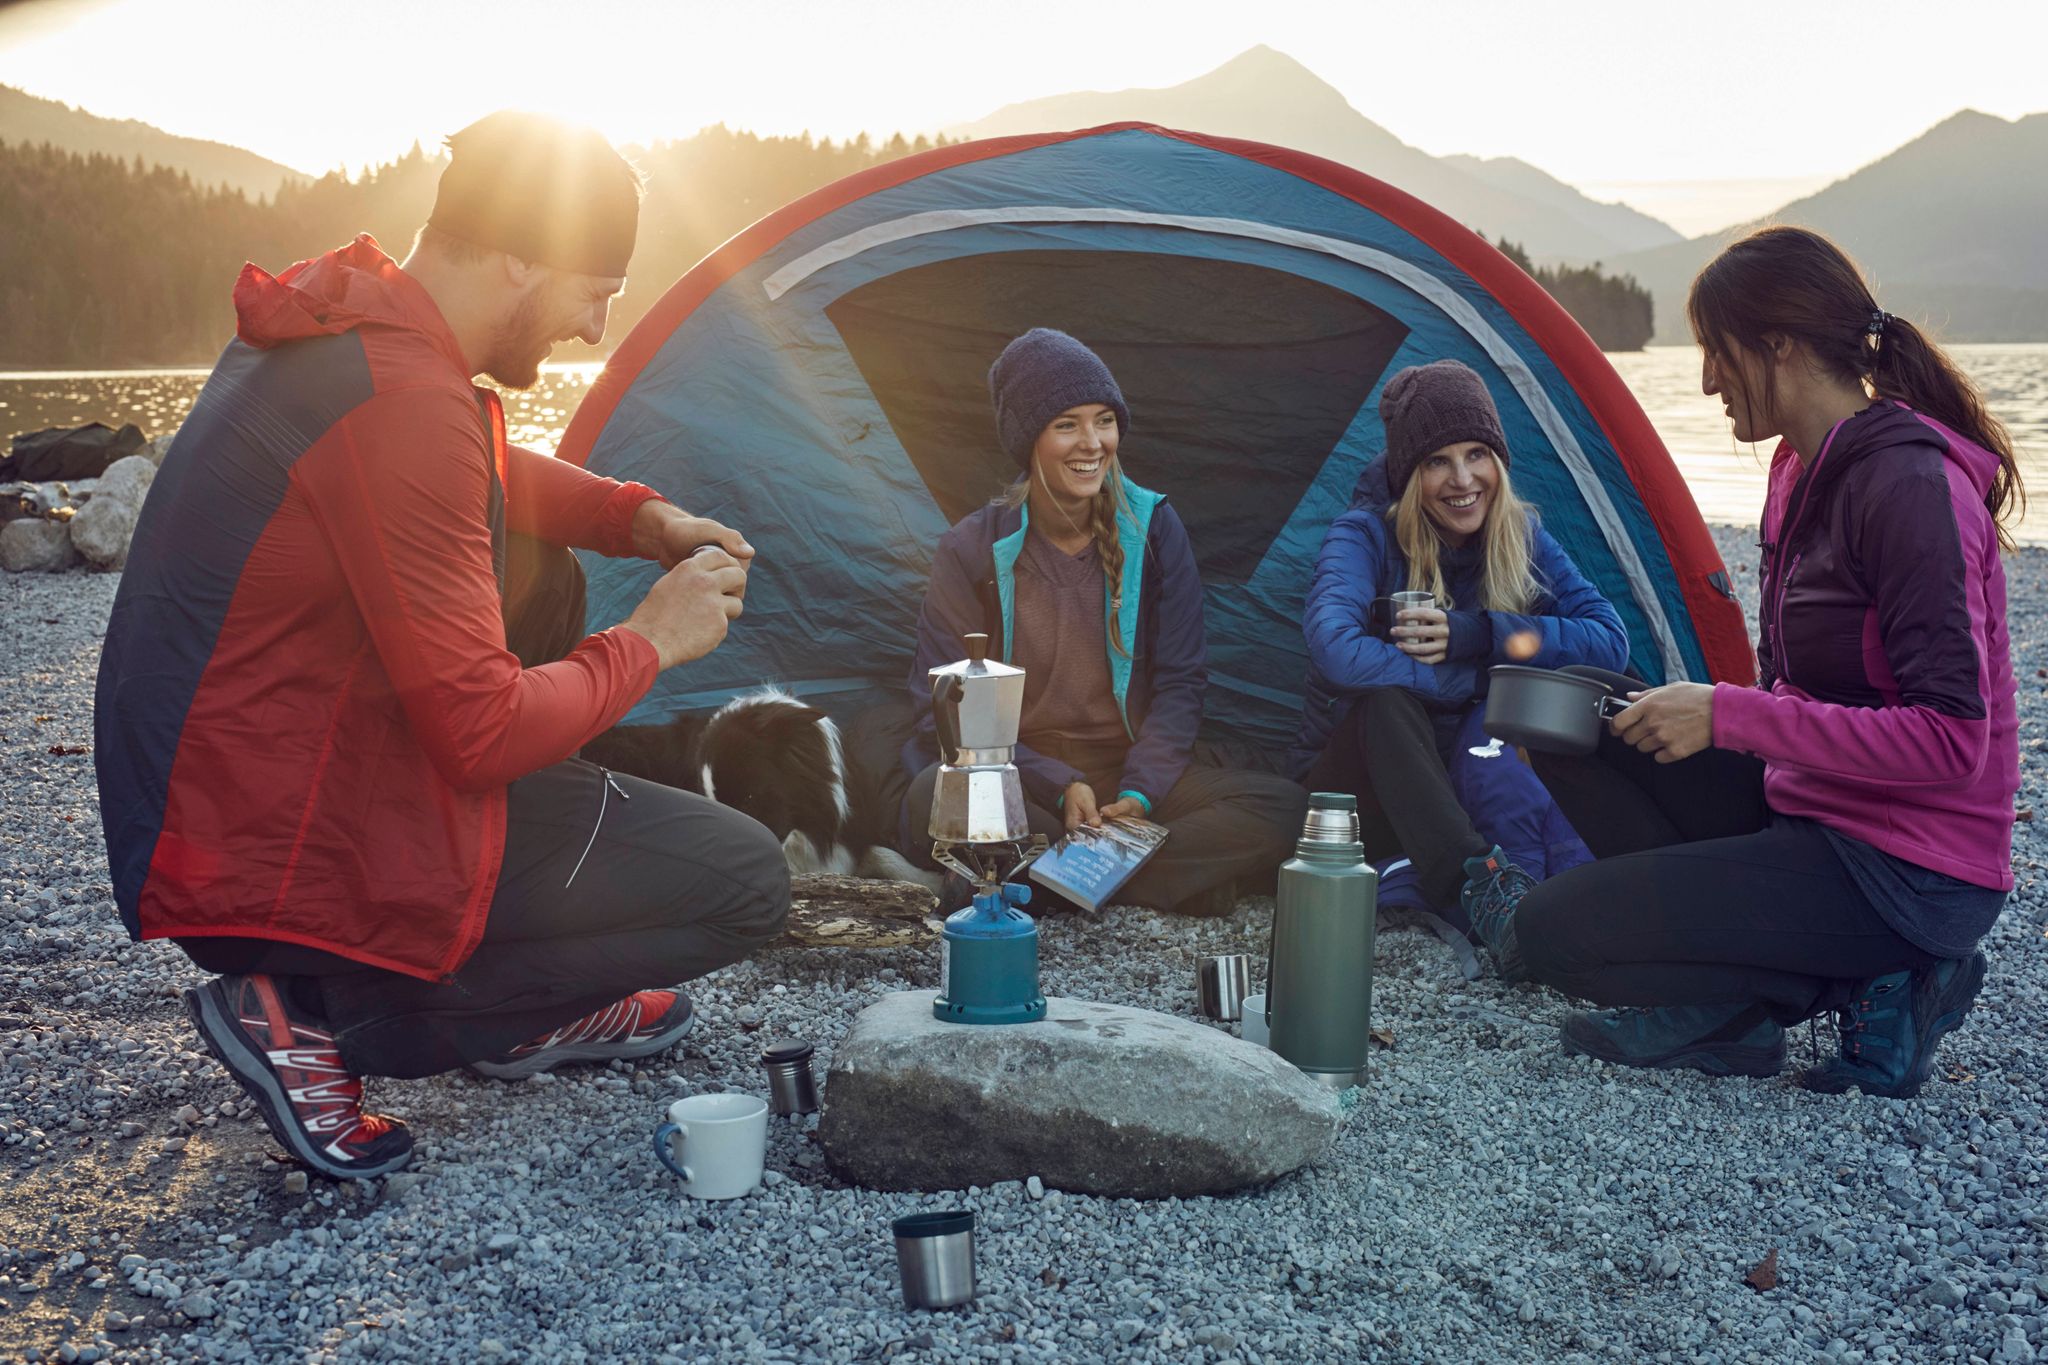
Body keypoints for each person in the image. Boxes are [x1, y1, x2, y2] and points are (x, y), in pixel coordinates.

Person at [93, 112, 790, 1181]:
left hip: (217, 805)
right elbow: (476, 731)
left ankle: (492, 983)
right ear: (519, 256)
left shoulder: (355, 330)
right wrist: (650, 641)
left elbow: (482, 467)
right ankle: (332, 1015)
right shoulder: (402, 400)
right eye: (595, 287)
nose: (598, 327)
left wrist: (637, 519)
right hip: (262, 863)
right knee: (742, 881)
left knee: (540, 569)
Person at [1482, 225, 2022, 1098]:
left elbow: (1952, 739)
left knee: (1548, 933)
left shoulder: (1913, 490)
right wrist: (1715, 713)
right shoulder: (1795, 469)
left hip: (1909, 871)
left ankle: (1889, 973)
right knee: (1571, 708)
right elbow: (1806, 691)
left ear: (1779, 344)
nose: (1703, 380)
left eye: (1714, 351)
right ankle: (1736, 997)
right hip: (1808, 809)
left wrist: (1729, 715)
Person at [899, 328, 1306, 915]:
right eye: (1067, 424)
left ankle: (1043, 881)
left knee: (1288, 808)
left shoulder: (1156, 530)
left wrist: (1140, 793)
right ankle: (1153, 879)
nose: (1093, 443)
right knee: (927, 801)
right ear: (1028, 440)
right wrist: (1058, 782)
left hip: (1128, 774)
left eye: (1104, 420)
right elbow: (942, 707)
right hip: (1022, 775)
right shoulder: (972, 549)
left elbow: (1181, 683)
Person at [1292, 359, 1627, 967]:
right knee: (1387, 702)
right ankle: (1482, 890)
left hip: (1468, 784)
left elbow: (1609, 640)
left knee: (1580, 693)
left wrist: (1482, 635)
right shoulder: (1364, 535)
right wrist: (1470, 679)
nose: (1462, 478)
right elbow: (1334, 649)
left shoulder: (1519, 535)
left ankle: (1578, 892)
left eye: (1477, 454)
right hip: (1361, 788)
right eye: (1436, 462)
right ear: (1407, 473)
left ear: (1498, 462)